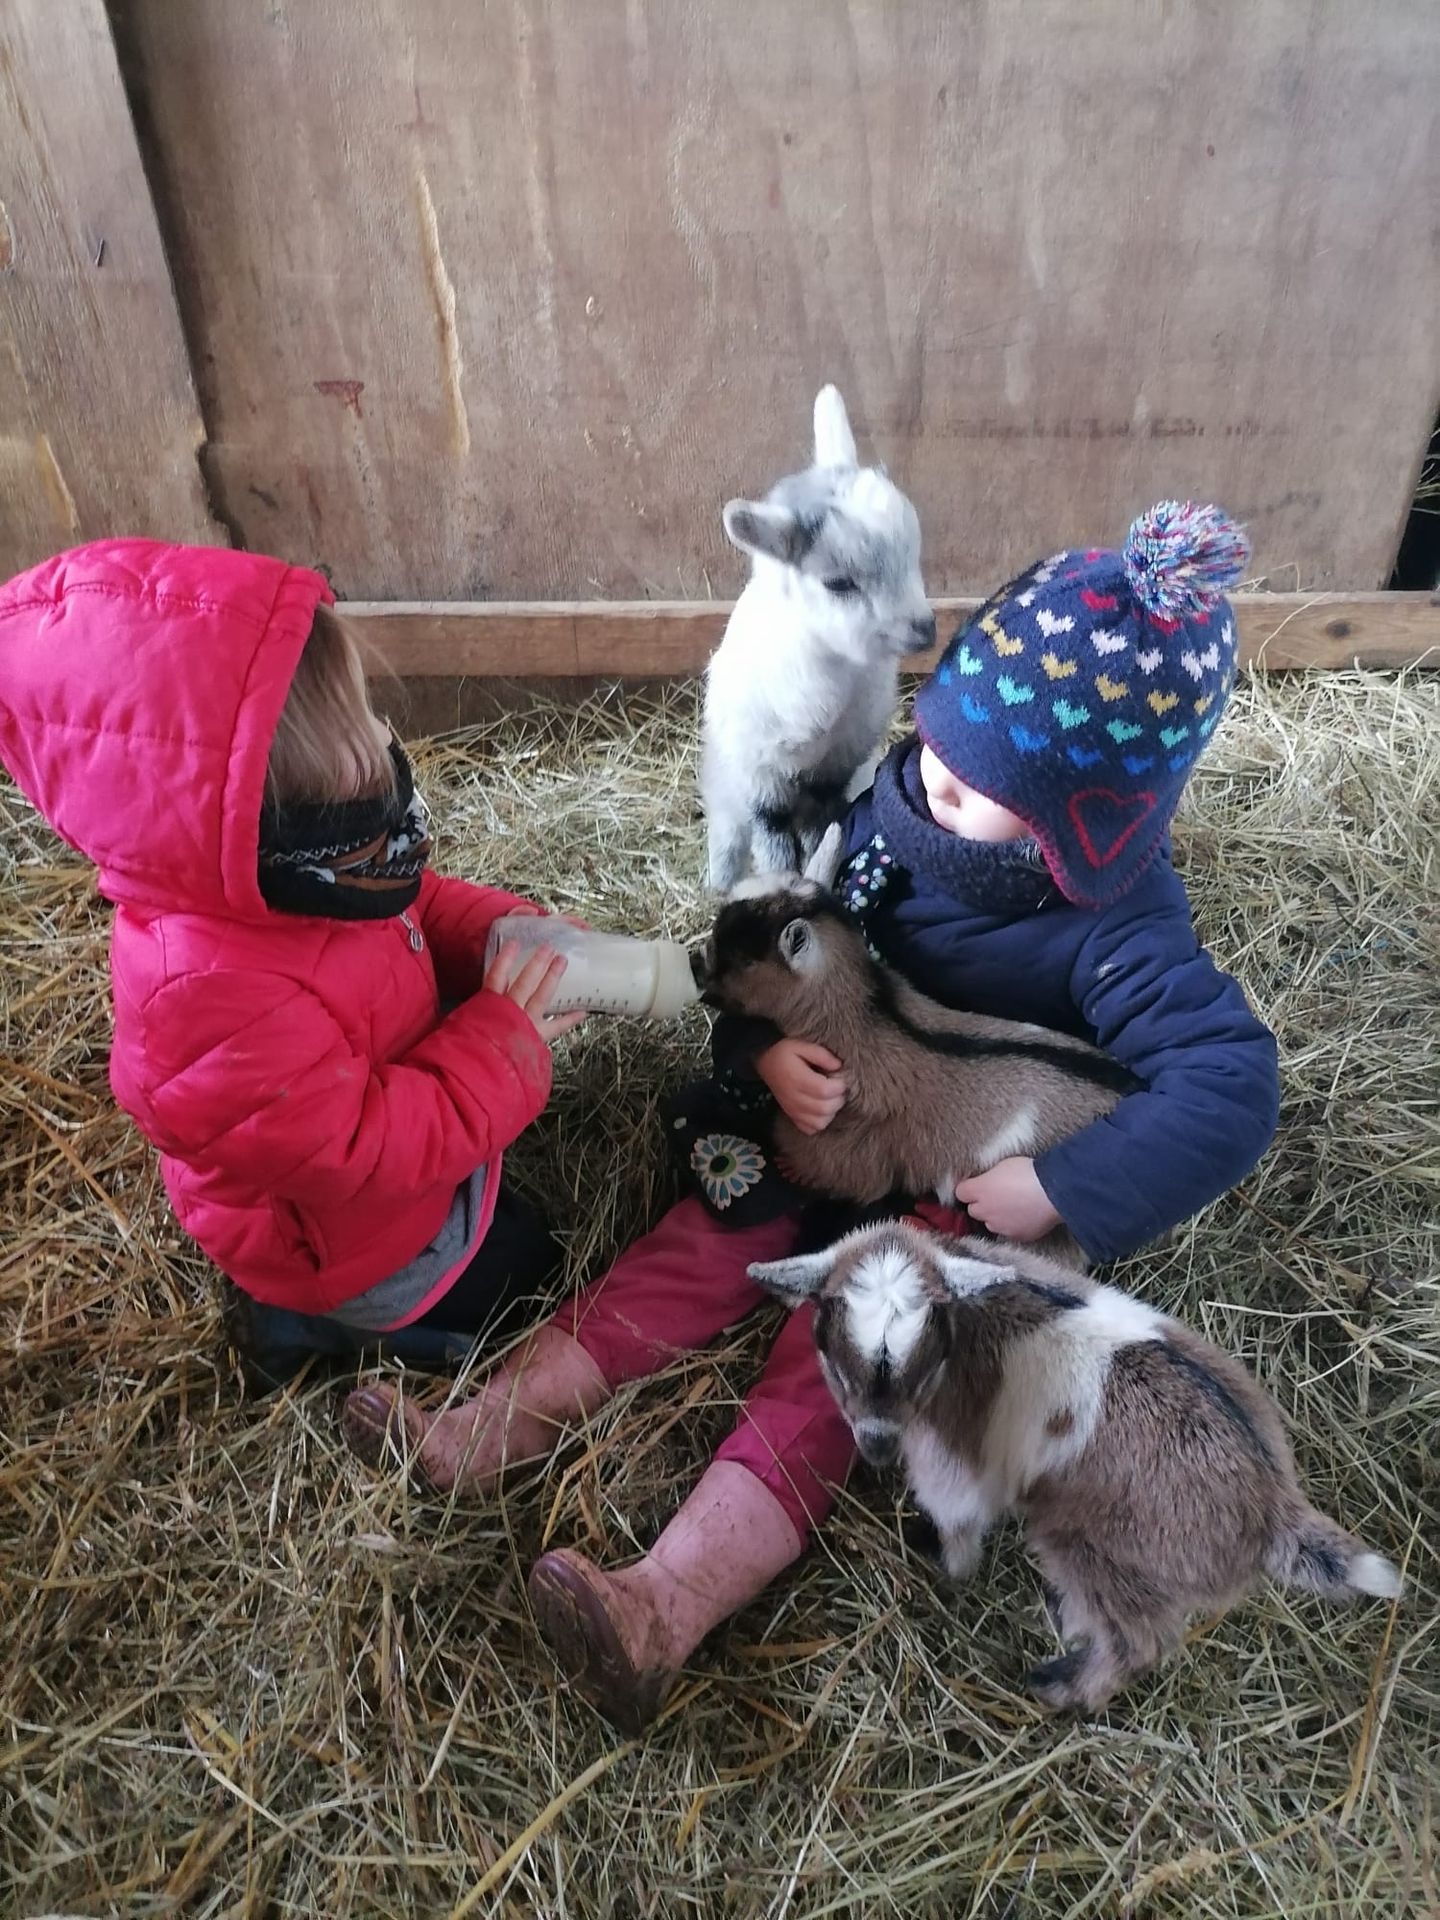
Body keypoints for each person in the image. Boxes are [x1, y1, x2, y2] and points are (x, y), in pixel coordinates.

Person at [342, 502, 1281, 1735]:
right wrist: (770, 1051)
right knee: (694, 1244)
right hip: (832, 1124)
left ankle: (662, 1605)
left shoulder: (1121, 932)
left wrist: (1062, 1190)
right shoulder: (895, 811)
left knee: (836, 1357)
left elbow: (1231, 1086)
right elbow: (769, 957)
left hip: (962, 1180)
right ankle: (472, 1436)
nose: (938, 782)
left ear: (1085, 828)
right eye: (940, 741)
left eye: (987, 788)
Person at [0, 541, 582, 1386]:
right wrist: (500, 1043)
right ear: (253, 814)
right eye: (351, 734)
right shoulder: (203, 996)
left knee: (525, 1238)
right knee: (531, 1290)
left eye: (364, 712)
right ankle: (320, 1323)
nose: (384, 740)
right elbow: (360, 1148)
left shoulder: (306, 867)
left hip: (416, 1142)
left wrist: (508, 935)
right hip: (351, 1241)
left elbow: (409, 906)